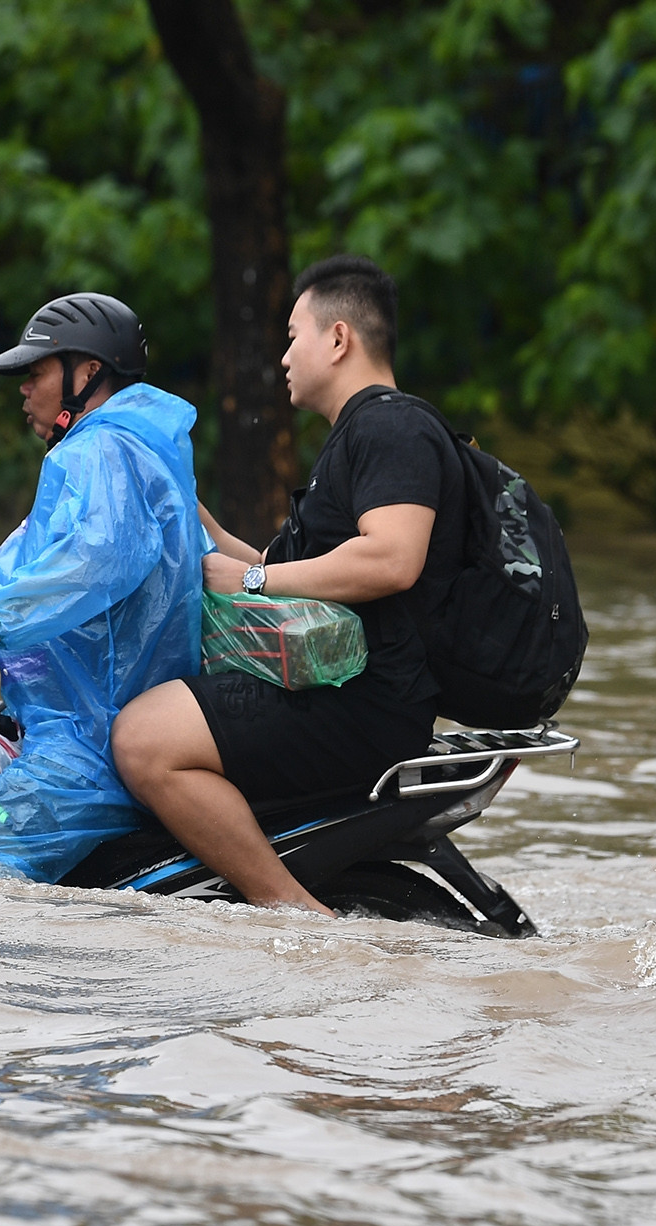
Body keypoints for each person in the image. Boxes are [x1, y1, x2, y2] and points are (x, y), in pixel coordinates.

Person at [112, 254, 463, 912]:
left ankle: (296, 917)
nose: (283, 357)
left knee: (142, 739)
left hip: (361, 705)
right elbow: (277, 572)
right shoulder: (356, 438)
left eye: (294, 335)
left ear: (338, 339)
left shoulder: (392, 426)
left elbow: (393, 559)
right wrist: (169, 492)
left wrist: (252, 578)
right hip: (334, 691)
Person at [0, 292, 208, 883]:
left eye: (34, 372)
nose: (23, 389)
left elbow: (94, 561)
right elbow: (23, 563)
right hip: (77, 726)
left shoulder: (105, 447)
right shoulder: (119, 446)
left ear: (87, 372)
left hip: (89, 745)